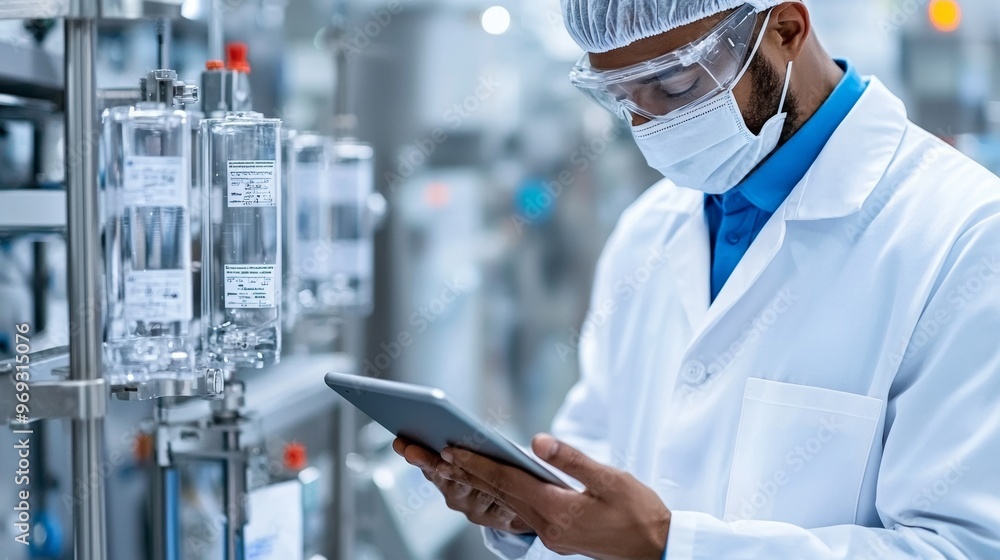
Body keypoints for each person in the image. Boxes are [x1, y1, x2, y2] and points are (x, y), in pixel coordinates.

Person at [394, 1, 1000, 558]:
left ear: (786, 29)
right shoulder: (648, 230)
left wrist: (671, 545)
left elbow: (962, 546)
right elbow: (595, 460)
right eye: (622, 96)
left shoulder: (965, 235)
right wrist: (534, 516)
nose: (650, 123)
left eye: (675, 83)